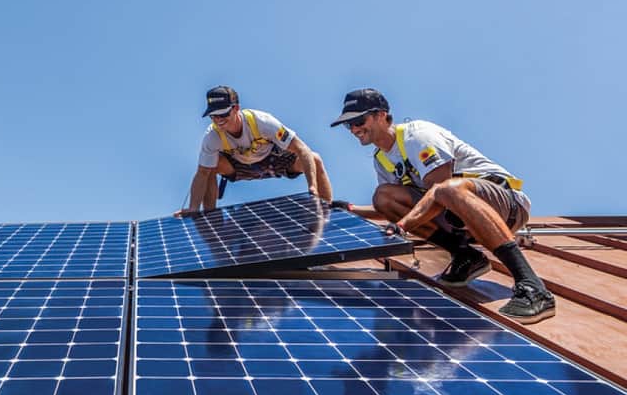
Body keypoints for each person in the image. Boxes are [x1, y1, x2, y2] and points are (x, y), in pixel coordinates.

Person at [329, 88, 555, 324]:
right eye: (349, 125)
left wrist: (403, 226)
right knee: (383, 197)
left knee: (448, 190)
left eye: (358, 121)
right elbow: (399, 206)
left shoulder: (417, 136)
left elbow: (440, 189)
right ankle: (466, 256)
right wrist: (352, 209)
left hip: (504, 205)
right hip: (458, 217)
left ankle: (532, 286)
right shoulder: (382, 159)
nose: (354, 129)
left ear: (381, 115)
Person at [176, 85, 333, 217]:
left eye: (223, 114)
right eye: (213, 116)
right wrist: (194, 208)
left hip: (273, 160)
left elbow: (301, 149)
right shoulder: (212, 136)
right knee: (209, 167)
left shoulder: (262, 122)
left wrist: (312, 187)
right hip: (240, 166)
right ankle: (209, 216)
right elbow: (202, 173)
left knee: (315, 158)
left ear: (236, 108)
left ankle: (327, 214)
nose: (218, 120)